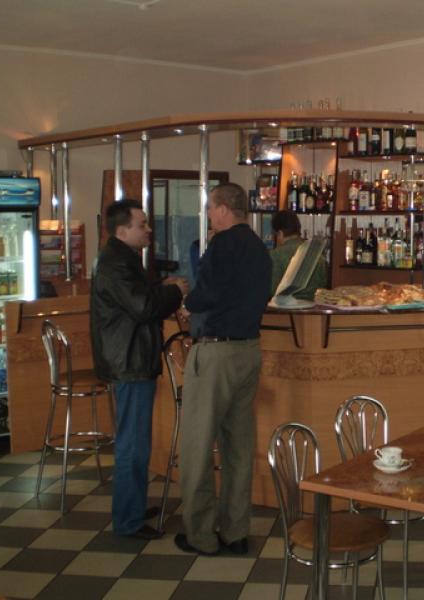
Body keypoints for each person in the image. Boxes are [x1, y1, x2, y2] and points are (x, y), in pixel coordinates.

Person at [175, 182, 272, 556]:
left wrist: (187, 302)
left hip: (215, 352)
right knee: (238, 447)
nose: (208, 216)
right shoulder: (260, 248)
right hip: (249, 350)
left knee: (198, 445)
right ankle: (236, 531)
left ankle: (200, 534)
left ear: (222, 209)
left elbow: (208, 294)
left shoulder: (222, 244)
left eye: (210, 209)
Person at [91, 199, 187, 540]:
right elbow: (143, 307)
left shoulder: (122, 258)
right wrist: (174, 292)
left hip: (130, 358)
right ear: (122, 231)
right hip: (129, 362)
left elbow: (138, 297)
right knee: (132, 445)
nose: (148, 229)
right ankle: (128, 521)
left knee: (136, 442)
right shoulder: (117, 263)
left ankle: (131, 507)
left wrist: (162, 287)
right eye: (142, 224)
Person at [269, 210, 327, 300]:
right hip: (314, 307)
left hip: (284, 308)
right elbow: (323, 288)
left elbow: (272, 291)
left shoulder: (275, 255)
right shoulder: (317, 254)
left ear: (280, 233)